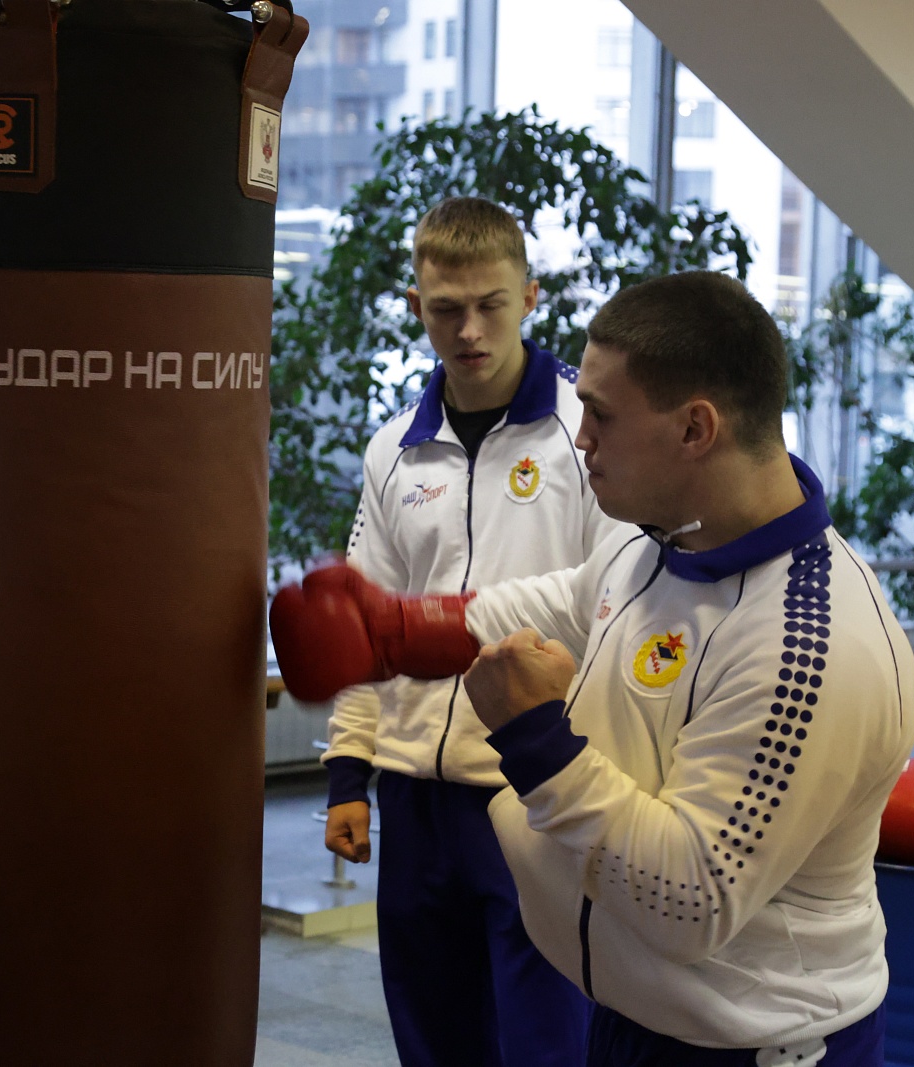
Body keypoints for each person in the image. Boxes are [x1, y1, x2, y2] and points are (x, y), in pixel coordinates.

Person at [271, 271, 914, 1066]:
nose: (581, 440)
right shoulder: (662, 542)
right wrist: (396, 631)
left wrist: (538, 739)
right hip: (631, 1018)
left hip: (748, 1046)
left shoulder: (808, 646)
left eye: (602, 416)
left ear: (695, 428)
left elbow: (690, 899)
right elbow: (560, 602)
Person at [316, 196, 625, 1067]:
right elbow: (370, 621)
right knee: (433, 1039)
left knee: (545, 1041)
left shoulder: (584, 435)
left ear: (529, 296)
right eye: (447, 309)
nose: (470, 330)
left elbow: (616, 599)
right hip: (416, 794)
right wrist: (348, 772)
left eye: (491, 304)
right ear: (417, 306)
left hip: (537, 786)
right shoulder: (394, 450)